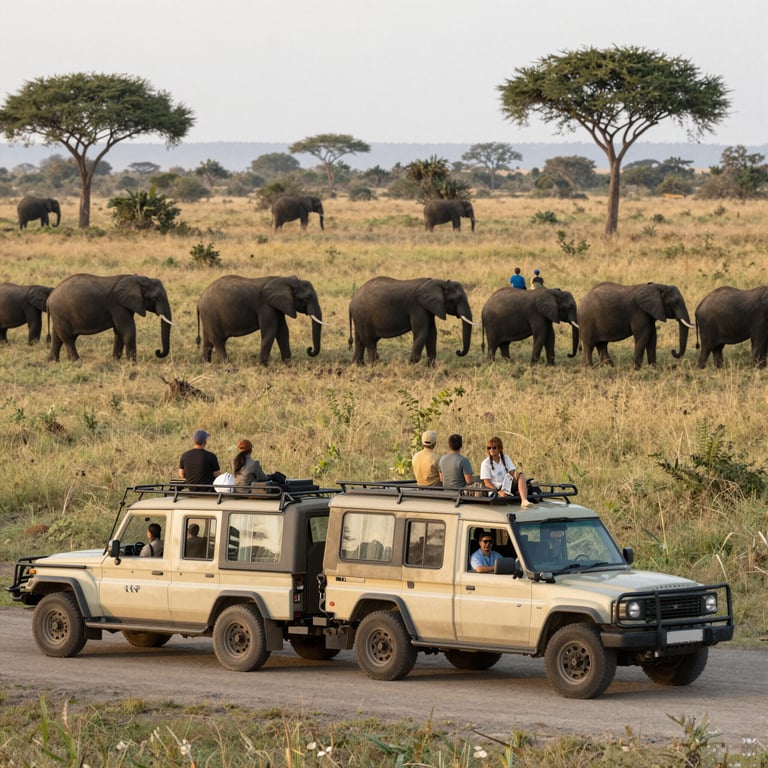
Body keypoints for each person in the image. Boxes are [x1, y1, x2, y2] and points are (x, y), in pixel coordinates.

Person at [480, 436, 535, 507]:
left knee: (520, 475)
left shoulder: (506, 458)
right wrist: (498, 491)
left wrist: (516, 474)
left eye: (494, 448)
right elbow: (487, 483)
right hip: (495, 490)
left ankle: (524, 500)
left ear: (499, 448)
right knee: (502, 498)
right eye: (489, 448)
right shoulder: (485, 463)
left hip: (507, 487)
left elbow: (512, 473)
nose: (491, 450)